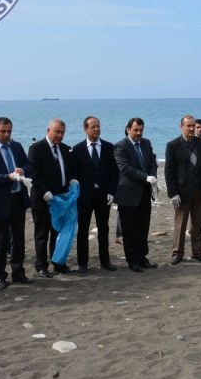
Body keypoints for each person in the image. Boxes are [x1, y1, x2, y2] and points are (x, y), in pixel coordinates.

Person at [0, 116, 35, 289]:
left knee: (18, 239)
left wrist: (22, 170)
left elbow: (29, 165)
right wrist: (7, 177)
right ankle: (0, 275)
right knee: (0, 241)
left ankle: (18, 272)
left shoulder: (16, 147)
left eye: (9, 131)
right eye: (3, 131)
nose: (7, 134)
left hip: (18, 199)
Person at [29, 119, 77, 276]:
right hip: (42, 199)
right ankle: (41, 266)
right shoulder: (36, 148)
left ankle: (58, 263)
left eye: (62, 133)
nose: (60, 135)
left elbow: (67, 170)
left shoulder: (64, 148)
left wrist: (71, 180)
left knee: (57, 233)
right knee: (42, 234)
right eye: (57, 132)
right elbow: (33, 173)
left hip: (60, 200)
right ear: (48, 130)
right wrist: (44, 192)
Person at [71, 116, 119, 272]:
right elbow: (74, 174)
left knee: (103, 229)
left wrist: (112, 191)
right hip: (84, 197)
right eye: (93, 126)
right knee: (83, 230)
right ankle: (82, 263)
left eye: (98, 126)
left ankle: (105, 261)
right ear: (85, 129)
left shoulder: (108, 147)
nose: (97, 129)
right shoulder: (77, 149)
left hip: (104, 196)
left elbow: (114, 173)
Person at [165, 115, 201, 265]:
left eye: (193, 125)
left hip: (199, 191)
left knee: (198, 224)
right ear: (181, 127)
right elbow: (169, 171)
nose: (192, 128)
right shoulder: (173, 145)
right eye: (189, 126)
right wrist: (172, 193)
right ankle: (177, 253)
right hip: (182, 192)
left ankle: (197, 252)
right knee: (180, 225)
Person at [114, 117, 158, 272]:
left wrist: (152, 177)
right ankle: (132, 261)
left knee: (143, 227)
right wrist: (145, 177)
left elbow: (152, 161)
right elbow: (125, 168)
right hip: (128, 194)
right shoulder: (120, 146)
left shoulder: (146, 143)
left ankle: (142, 257)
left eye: (141, 130)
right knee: (129, 229)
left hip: (144, 192)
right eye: (136, 130)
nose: (139, 133)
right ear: (128, 130)